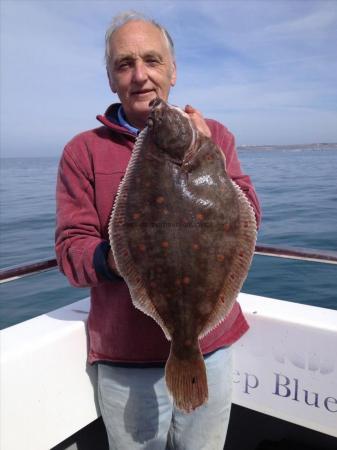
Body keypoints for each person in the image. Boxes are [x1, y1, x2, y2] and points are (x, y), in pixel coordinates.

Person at [55, 11, 261, 450]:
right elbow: (71, 251)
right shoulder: (82, 152)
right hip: (124, 361)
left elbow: (249, 219)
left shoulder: (214, 135)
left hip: (212, 348)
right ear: (111, 79)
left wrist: (211, 160)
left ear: (173, 71)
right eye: (124, 64)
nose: (140, 75)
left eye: (152, 60)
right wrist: (124, 258)